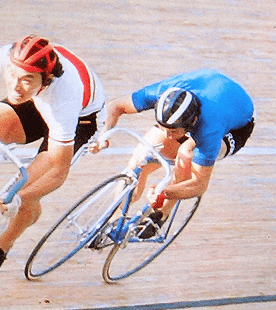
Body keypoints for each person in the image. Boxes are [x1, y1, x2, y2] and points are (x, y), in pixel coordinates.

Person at [0, 35, 105, 281]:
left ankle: (2, 246)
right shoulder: (8, 58)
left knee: (25, 185)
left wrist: (20, 196)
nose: (15, 85)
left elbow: (58, 170)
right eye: (12, 75)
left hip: (79, 118)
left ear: (46, 79)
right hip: (35, 100)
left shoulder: (64, 95)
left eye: (26, 79)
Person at [91, 69, 254, 238]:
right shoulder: (164, 93)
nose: (167, 136)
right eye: (163, 127)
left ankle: (161, 214)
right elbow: (116, 106)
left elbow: (199, 185)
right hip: (210, 96)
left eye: (173, 131)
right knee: (142, 156)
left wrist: (164, 192)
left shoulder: (209, 129)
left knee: (185, 152)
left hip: (236, 127)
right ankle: (116, 215)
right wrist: (102, 136)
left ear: (192, 122)